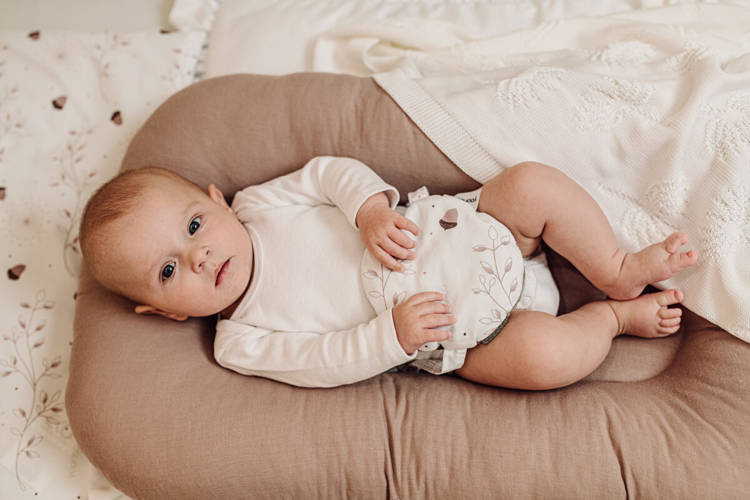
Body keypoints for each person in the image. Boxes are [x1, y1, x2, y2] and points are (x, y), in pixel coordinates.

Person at [78, 156, 697, 390]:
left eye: (194, 226)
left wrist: (369, 211)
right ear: (167, 312)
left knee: (531, 185)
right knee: (543, 360)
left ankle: (616, 269)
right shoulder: (239, 342)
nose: (199, 257)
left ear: (216, 201)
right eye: (168, 270)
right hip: (463, 335)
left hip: (470, 229)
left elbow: (328, 173)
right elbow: (320, 364)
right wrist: (391, 338)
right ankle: (612, 317)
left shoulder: (259, 206)